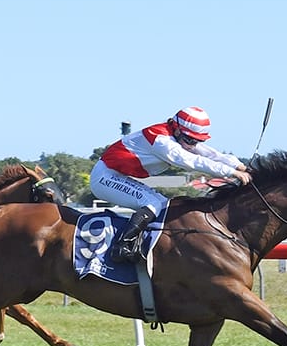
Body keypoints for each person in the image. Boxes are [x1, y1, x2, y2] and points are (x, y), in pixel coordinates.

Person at [90, 106, 252, 262]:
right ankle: (121, 248)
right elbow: (193, 161)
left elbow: (210, 154)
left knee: (162, 204)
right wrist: (232, 173)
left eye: (196, 141)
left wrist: (240, 166)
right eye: (189, 140)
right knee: (152, 203)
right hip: (104, 177)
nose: (191, 145)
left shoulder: (180, 136)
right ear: (176, 128)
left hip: (116, 174)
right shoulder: (162, 141)